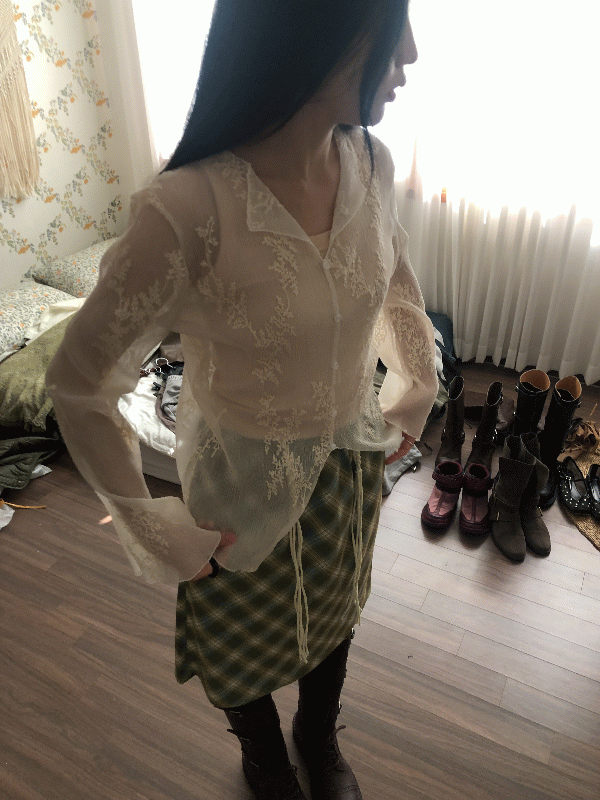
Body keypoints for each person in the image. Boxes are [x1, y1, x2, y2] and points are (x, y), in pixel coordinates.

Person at [46, 1, 438, 798]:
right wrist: (153, 525)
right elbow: (78, 382)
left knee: (336, 612)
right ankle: (263, 757)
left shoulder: (370, 161)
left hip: (347, 468)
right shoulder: (189, 208)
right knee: (235, 645)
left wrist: (410, 391)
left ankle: (317, 735)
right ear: (317, 28)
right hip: (237, 491)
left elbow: (395, 283)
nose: (411, 52)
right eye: (391, 23)